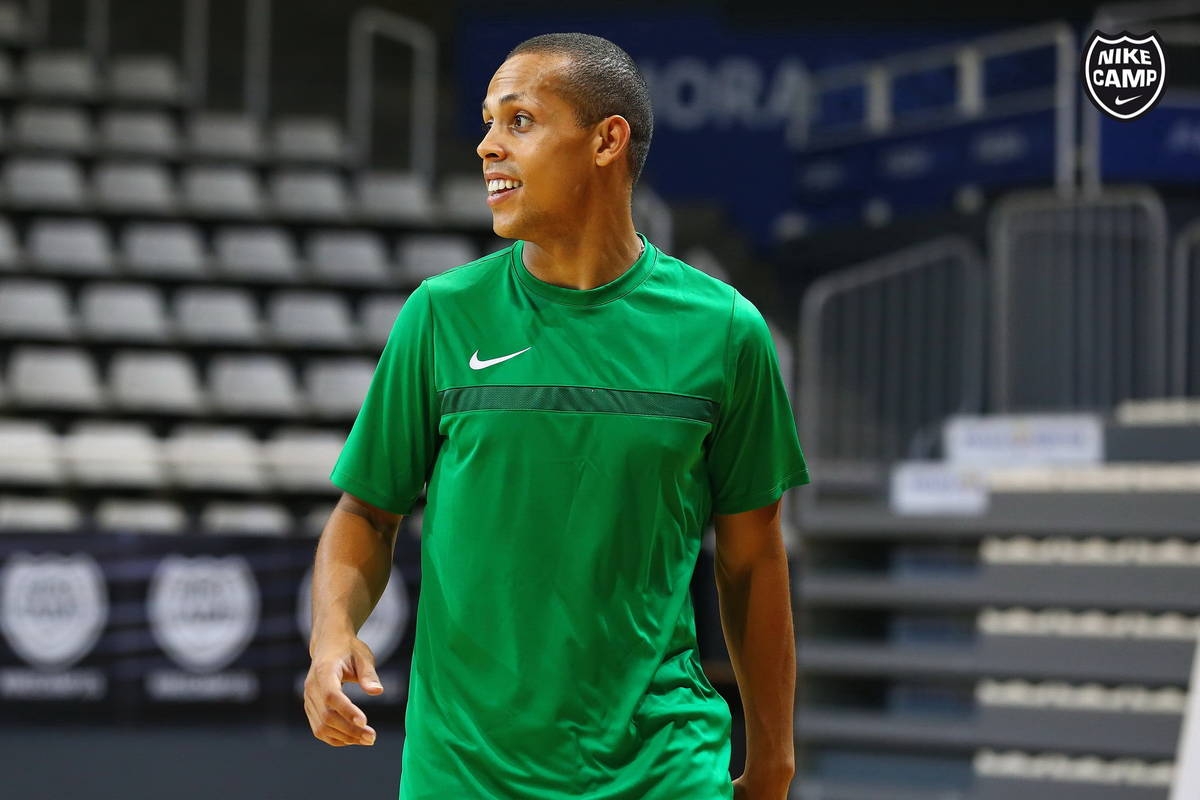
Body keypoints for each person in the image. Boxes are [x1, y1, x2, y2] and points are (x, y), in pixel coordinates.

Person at [303, 32, 809, 800]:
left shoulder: (726, 331)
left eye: (520, 121)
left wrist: (773, 758)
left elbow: (751, 562)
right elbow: (367, 514)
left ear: (607, 141)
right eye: (487, 122)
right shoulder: (440, 316)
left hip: (662, 772)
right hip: (463, 775)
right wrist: (332, 633)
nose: (487, 146)